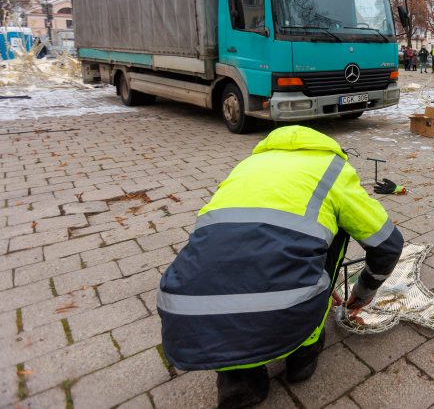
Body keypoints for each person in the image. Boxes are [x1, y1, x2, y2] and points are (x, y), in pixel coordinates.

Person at [157, 126, 404, 408]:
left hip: (184, 310)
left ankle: (238, 379)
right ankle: (303, 355)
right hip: (289, 307)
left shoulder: (248, 164)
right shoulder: (333, 168)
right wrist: (362, 292)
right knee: (334, 226)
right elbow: (388, 244)